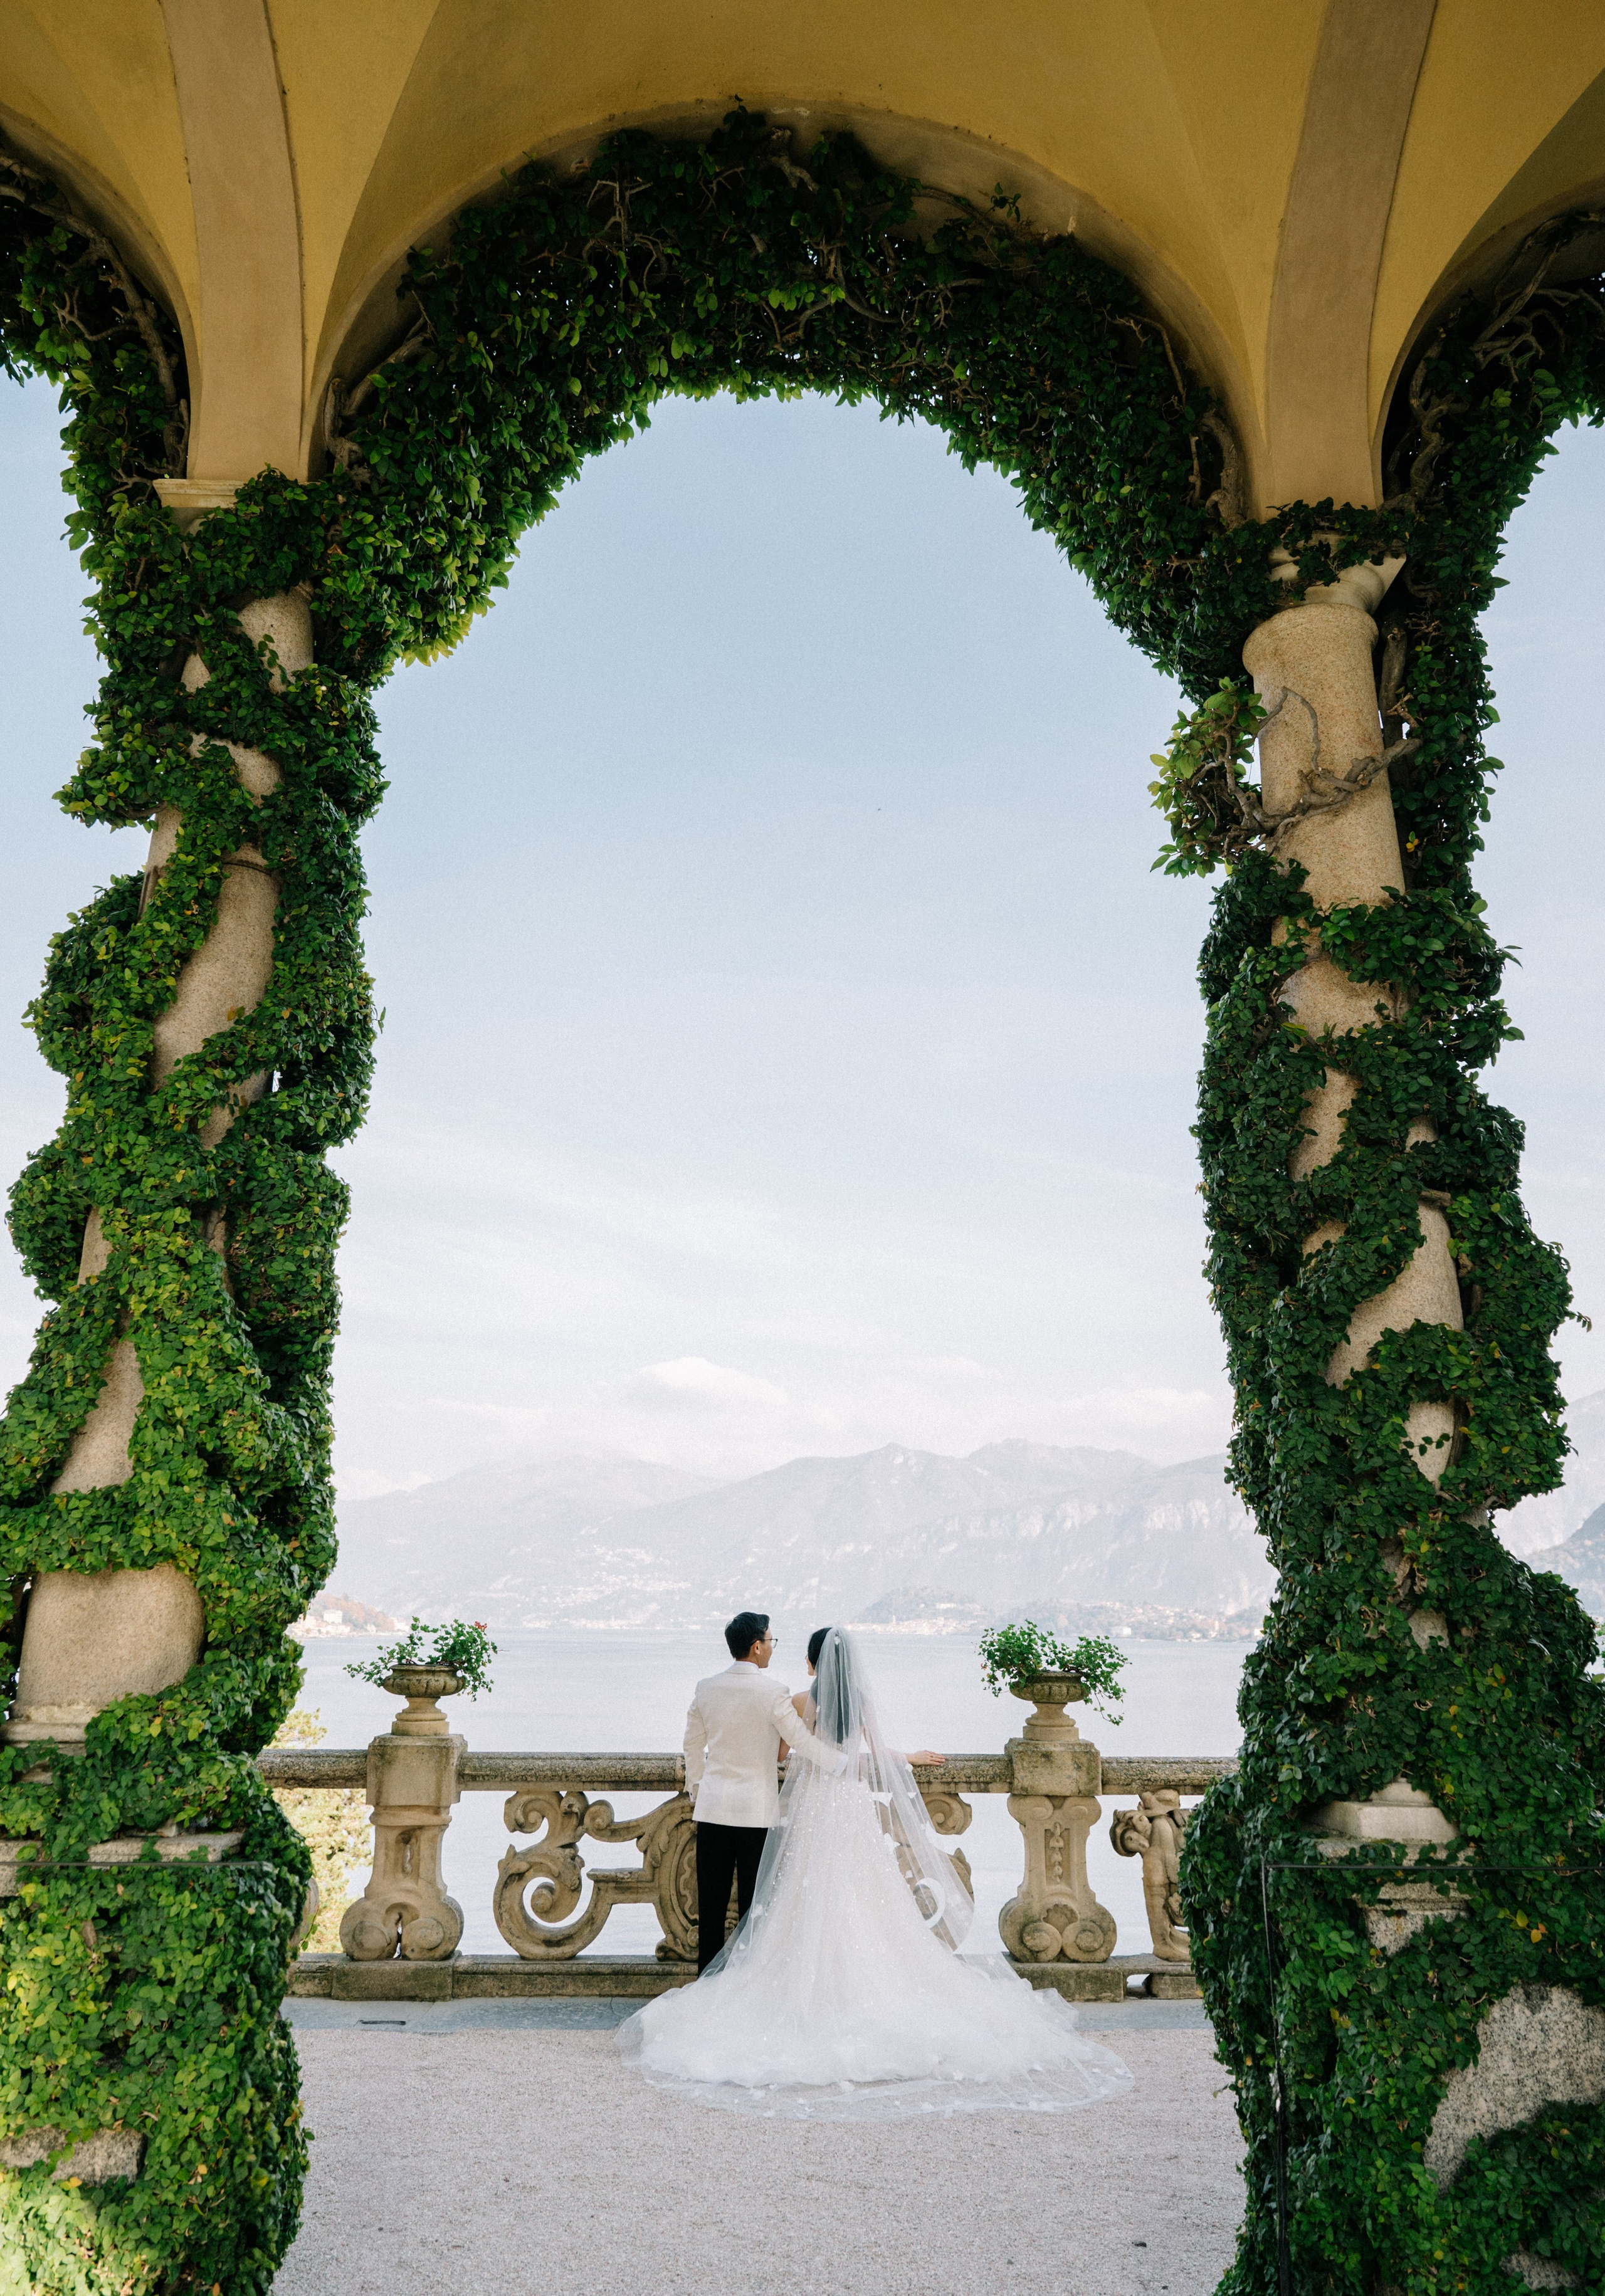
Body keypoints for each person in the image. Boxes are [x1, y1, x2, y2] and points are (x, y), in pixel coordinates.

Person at [619, 1624, 1134, 2120]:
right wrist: (907, 1756)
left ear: (812, 1662)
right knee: (861, 1896)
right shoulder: (857, 1703)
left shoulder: (798, 1700)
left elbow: (786, 1749)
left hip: (806, 1809)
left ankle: (742, 1985)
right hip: (849, 1809)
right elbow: (872, 1756)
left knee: (796, 1897)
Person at [680, 1610, 844, 1973]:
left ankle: (706, 1984)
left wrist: (698, 1789)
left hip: (712, 1810)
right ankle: (746, 1981)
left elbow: (692, 1747)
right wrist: (843, 1764)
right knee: (754, 1909)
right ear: (756, 1647)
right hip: (755, 1813)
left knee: (711, 1906)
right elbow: (802, 1741)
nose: (772, 1648)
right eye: (771, 1641)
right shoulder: (774, 1692)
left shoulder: (706, 1688)